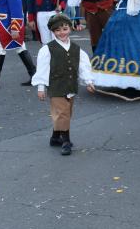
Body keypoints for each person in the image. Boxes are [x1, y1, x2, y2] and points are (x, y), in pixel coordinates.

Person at [31, 14, 96, 156]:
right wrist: (41, 87)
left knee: (65, 113)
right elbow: (42, 69)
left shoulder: (76, 49)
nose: (62, 33)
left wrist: (89, 82)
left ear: (70, 29)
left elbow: (83, 67)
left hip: (70, 86)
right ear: (53, 32)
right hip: (56, 86)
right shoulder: (47, 49)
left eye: (65, 29)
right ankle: (66, 141)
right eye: (58, 30)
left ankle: (55, 137)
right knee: (63, 113)